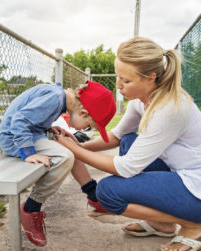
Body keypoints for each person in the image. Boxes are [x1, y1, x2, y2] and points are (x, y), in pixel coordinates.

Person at [56, 37, 201, 251]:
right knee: (129, 141)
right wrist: (78, 146)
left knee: (107, 192)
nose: (118, 85)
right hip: (180, 172)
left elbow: (126, 168)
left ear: (151, 77)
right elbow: (116, 136)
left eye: (126, 80)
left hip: (196, 187)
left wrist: (75, 150)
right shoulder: (140, 100)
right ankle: (163, 223)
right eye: (118, 77)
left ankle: (193, 224)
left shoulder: (169, 108)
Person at [0, 80, 116, 246]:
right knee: (65, 157)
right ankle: (31, 208)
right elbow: (19, 120)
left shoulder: (57, 98)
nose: (84, 130)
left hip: (30, 135)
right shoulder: (54, 98)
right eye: (89, 126)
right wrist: (28, 153)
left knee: (70, 146)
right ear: (83, 113)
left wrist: (48, 128)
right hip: (15, 141)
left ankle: (94, 196)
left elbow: (31, 118)